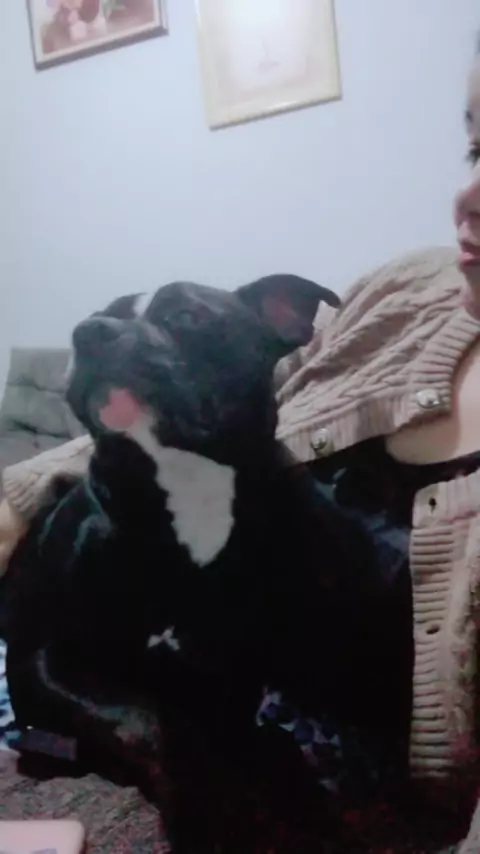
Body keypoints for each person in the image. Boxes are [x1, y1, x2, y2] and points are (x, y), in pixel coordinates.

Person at [3, 40, 480, 854]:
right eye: (473, 147)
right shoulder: (409, 290)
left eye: (180, 321)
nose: (465, 196)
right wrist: (18, 495)